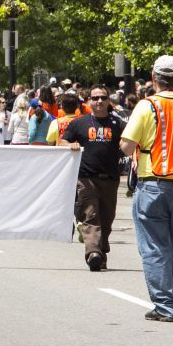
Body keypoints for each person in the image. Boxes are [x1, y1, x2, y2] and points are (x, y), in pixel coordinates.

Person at [120, 55, 173, 322]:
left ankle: (166, 305)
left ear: (155, 78)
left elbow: (126, 146)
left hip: (153, 183)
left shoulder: (147, 106)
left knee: (155, 247)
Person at [60, 85, 126, 271]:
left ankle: (100, 251)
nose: (99, 101)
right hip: (86, 178)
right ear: (89, 101)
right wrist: (69, 145)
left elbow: (131, 141)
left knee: (106, 219)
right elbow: (62, 140)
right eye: (95, 98)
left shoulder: (118, 123)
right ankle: (93, 253)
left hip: (111, 178)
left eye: (103, 98)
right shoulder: (79, 123)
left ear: (108, 100)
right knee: (91, 215)